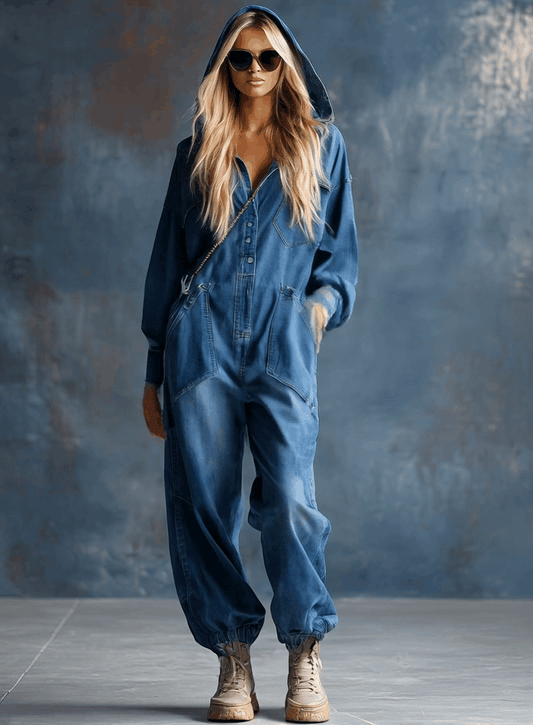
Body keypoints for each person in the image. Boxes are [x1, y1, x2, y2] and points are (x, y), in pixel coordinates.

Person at [141, 5, 358, 722]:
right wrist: (153, 369)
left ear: (287, 65)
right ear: (223, 67)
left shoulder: (322, 148)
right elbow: (167, 262)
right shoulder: (197, 151)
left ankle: (304, 650)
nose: (255, 70)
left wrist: (316, 310)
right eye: (241, 57)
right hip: (199, 344)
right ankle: (232, 655)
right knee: (204, 504)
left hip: (281, 342)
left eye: (268, 57)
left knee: (291, 498)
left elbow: (339, 260)